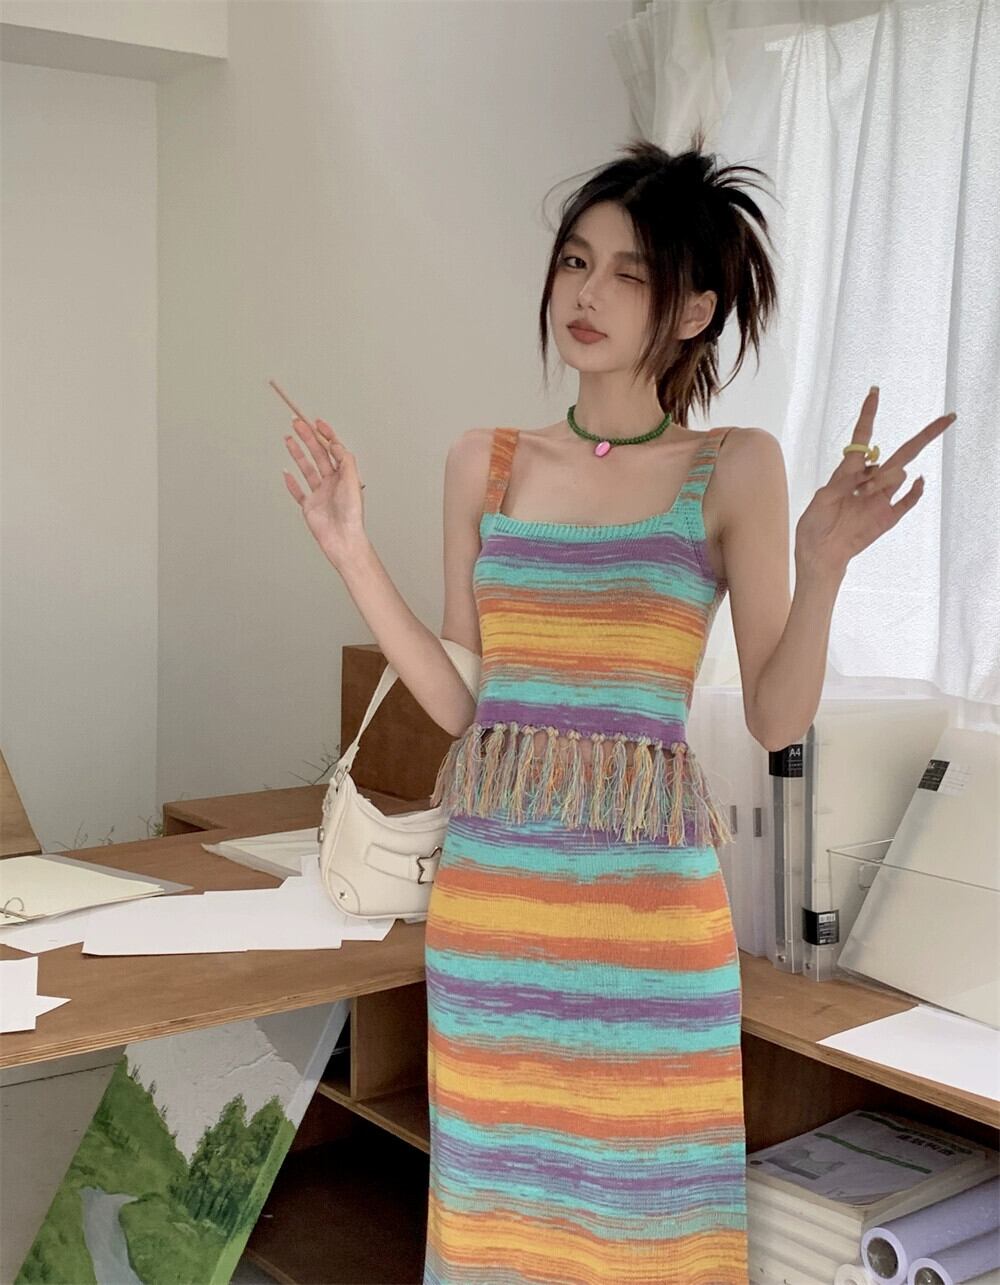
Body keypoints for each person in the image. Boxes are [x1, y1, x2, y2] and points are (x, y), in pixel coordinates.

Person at [281, 132, 955, 1285]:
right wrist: (349, 546)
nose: (585, 294)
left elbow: (776, 719)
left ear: (691, 311)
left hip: (650, 925)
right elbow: (466, 702)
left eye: (628, 273)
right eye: (574, 261)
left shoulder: (733, 465)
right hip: (495, 909)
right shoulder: (483, 462)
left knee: (650, 1225)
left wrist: (822, 565)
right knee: (492, 1222)